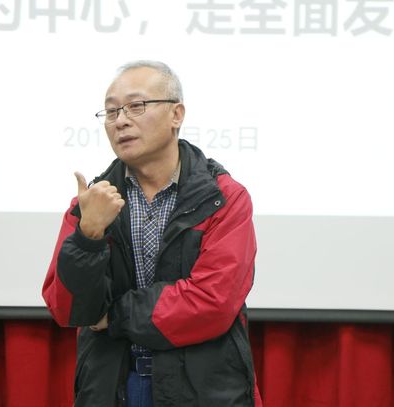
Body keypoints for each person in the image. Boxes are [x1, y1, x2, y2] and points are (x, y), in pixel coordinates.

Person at [42, 60, 262, 407]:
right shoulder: (92, 204)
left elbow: (212, 301)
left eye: (136, 106)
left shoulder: (223, 197)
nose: (121, 120)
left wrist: (115, 316)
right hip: (113, 387)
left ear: (176, 114)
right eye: (111, 111)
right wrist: (88, 236)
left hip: (202, 391)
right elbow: (67, 309)